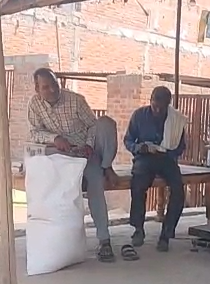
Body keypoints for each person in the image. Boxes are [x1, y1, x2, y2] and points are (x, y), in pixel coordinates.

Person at [27, 67, 119, 263]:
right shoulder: (34, 104)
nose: (52, 90)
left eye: (54, 84)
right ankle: (55, 240)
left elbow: (93, 125)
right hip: (59, 152)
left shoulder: (76, 100)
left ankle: (104, 240)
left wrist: (88, 145)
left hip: (85, 152)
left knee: (95, 184)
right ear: (37, 89)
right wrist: (55, 138)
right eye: (46, 87)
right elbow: (34, 132)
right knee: (44, 179)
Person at [124, 86, 187, 252]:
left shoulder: (175, 120)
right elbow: (128, 140)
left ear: (168, 104)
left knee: (178, 190)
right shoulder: (139, 115)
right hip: (145, 157)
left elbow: (181, 146)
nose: (158, 110)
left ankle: (166, 234)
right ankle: (138, 229)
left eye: (162, 107)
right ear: (150, 100)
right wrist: (141, 147)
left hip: (167, 159)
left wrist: (167, 150)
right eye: (155, 106)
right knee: (138, 185)